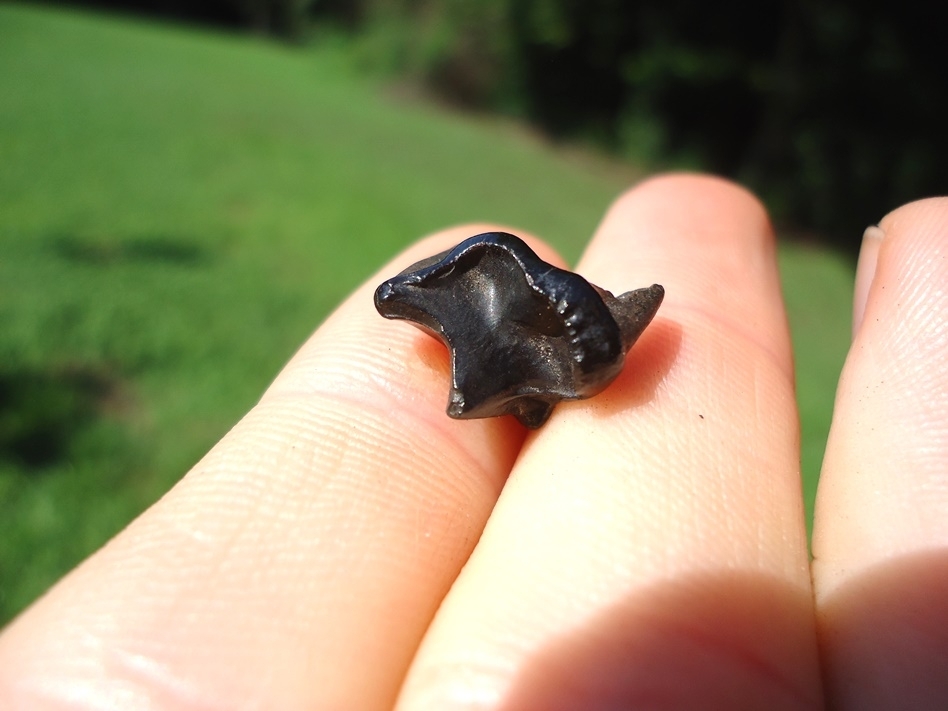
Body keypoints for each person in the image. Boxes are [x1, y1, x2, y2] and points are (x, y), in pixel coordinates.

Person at [0, 174, 945, 710]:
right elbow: (427, 308)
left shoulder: (566, 343)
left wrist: (580, 342)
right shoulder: (490, 318)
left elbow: (570, 337)